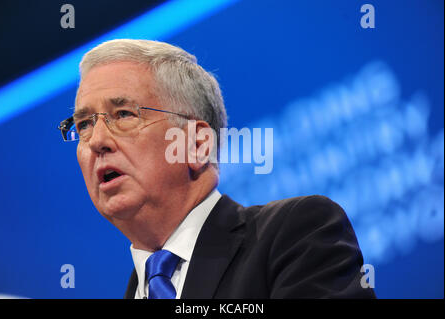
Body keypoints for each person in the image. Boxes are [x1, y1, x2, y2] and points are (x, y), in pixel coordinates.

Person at [58, 39, 376, 299]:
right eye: (84, 123)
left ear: (196, 145)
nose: (97, 140)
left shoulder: (296, 235)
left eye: (124, 114)